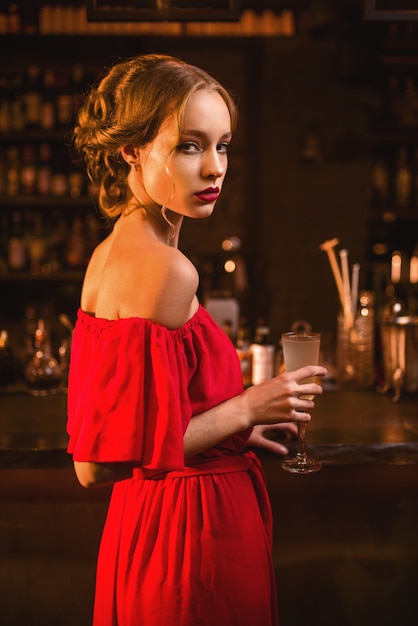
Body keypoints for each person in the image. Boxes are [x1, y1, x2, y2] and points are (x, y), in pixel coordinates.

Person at [66, 53, 327, 626]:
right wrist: (247, 406)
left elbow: (151, 422)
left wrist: (236, 430)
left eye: (223, 145)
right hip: (189, 541)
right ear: (131, 149)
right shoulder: (165, 269)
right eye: (189, 145)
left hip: (157, 526)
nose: (214, 168)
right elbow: (98, 462)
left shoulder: (112, 251)